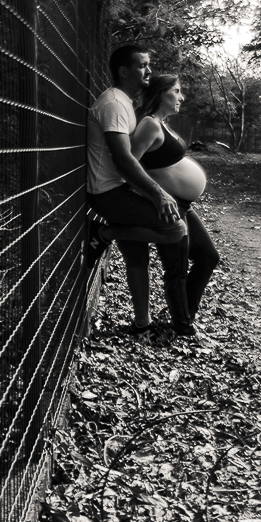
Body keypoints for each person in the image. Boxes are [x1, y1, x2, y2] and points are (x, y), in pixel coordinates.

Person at [86, 45, 196, 336]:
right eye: (142, 65)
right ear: (124, 71)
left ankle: (141, 323)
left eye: (148, 65)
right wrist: (157, 194)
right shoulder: (114, 104)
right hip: (108, 192)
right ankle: (103, 233)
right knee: (176, 229)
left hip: (119, 188)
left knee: (136, 255)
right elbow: (124, 160)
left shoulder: (125, 103)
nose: (149, 71)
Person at [120, 73, 220, 333]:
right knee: (177, 266)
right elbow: (129, 167)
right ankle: (182, 325)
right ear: (159, 94)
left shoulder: (160, 123)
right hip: (168, 205)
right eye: (176, 91)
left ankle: (185, 314)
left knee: (208, 257)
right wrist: (155, 196)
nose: (181, 97)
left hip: (181, 204)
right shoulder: (149, 125)